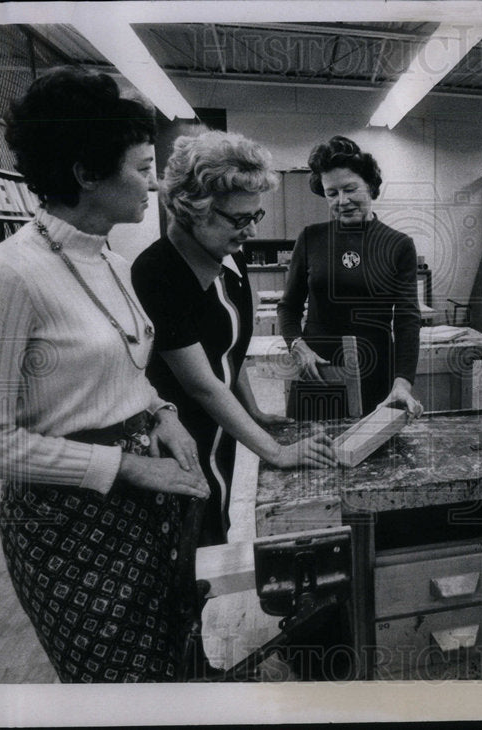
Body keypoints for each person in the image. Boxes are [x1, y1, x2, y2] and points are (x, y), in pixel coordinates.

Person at [0, 67, 210, 683]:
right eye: (142, 169)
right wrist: (125, 465)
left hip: (145, 503)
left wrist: (162, 415)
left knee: (170, 668)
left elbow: (123, 363)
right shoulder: (4, 276)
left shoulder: (110, 260)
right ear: (86, 174)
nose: (155, 185)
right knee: (120, 688)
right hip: (70, 529)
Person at [132, 131, 337, 548]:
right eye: (239, 219)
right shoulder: (158, 272)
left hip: (221, 432)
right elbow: (201, 384)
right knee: (187, 551)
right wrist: (275, 453)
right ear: (193, 209)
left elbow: (231, 351)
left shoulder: (229, 255)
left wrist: (256, 411)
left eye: (255, 217)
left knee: (216, 528)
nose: (249, 232)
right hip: (179, 441)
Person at [278, 135, 423, 421]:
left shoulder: (398, 244)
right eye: (332, 193)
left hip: (376, 368)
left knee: (375, 457)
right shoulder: (311, 237)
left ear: (370, 185)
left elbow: (407, 318)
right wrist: (297, 345)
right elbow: (289, 307)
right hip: (318, 369)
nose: (342, 201)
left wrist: (403, 381)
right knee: (311, 454)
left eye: (350, 189)